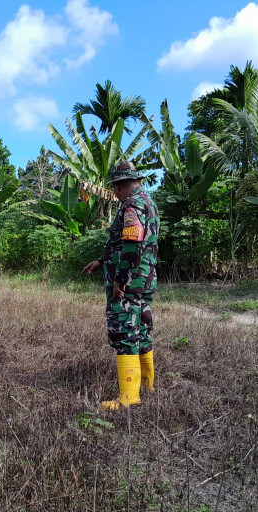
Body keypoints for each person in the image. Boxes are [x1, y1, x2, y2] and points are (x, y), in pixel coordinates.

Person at [81, 162, 160, 410]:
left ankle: (128, 398)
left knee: (124, 333)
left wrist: (120, 279)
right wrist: (102, 261)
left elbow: (132, 245)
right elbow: (129, 243)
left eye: (114, 189)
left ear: (119, 185)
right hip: (144, 280)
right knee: (142, 332)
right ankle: (147, 386)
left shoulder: (131, 205)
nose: (115, 194)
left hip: (129, 282)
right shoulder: (149, 202)